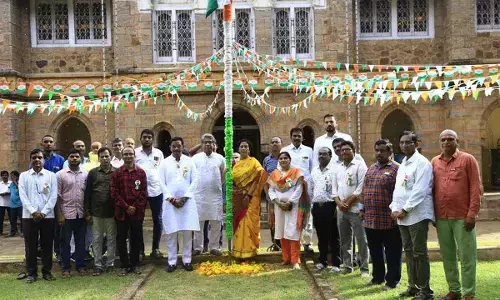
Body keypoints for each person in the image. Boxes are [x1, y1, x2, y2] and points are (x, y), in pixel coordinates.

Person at [431, 130, 481, 300]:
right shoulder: (434, 162)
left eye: (450, 139)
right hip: (442, 217)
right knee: (448, 256)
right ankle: (454, 290)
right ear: (439, 142)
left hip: (462, 216)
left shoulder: (467, 160)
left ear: (457, 141)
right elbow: (431, 189)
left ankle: (469, 293)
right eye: (443, 139)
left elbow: (476, 188)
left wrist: (472, 214)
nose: (446, 142)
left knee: (467, 256)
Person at [390, 131, 435, 300]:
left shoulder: (422, 163)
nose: (404, 145)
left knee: (419, 252)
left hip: (417, 215)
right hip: (403, 216)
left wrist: (405, 209)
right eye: (401, 142)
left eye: (408, 142)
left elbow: (420, 190)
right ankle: (413, 287)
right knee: (408, 251)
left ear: (417, 144)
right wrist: (395, 207)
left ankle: (425, 291)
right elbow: (398, 189)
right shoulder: (404, 163)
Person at [360, 139, 402, 290]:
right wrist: (362, 208)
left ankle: (392, 281)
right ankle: (377, 277)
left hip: (389, 220)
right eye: (377, 150)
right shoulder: (371, 168)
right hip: (371, 219)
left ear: (390, 153)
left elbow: (401, 193)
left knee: (392, 252)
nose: (379, 153)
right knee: (375, 251)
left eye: (382, 150)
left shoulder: (397, 169)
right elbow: (365, 190)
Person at [159, 137, 200, 272]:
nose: (176, 149)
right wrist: (172, 199)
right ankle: (172, 261)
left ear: (183, 147)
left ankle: (187, 260)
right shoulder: (164, 163)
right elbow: (161, 183)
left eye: (179, 146)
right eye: (174, 146)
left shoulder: (189, 161)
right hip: (170, 204)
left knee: (187, 232)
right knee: (171, 232)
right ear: (170, 148)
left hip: (187, 203)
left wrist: (185, 197)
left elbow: (195, 180)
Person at [19, 149, 58, 283]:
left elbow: (53, 196)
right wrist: (33, 211)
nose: (37, 160)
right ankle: (31, 273)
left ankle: (47, 272)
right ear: (30, 160)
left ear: (44, 160)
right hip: (29, 217)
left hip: (47, 217)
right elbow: (23, 196)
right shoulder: (24, 176)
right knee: (31, 245)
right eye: (34, 157)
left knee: (47, 245)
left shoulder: (51, 176)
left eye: (39, 157)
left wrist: (43, 212)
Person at [332, 141, 369, 276]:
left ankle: (364, 268)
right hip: (341, 210)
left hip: (355, 209)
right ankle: (348, 266)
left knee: (361, 240)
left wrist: (347, 203)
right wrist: (339, 204)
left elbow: (361, 188)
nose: (344, 152)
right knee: (345, 240)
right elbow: (334, 189)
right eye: (342, 151)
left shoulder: (360, 166)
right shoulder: (337, 168)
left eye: (347, 150)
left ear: (354, 151)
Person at [268, 151, 308, 270]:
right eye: (281, 158)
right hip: (279, 207)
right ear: (278, 161)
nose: (283, 160)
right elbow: (271, 190)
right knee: (281, 232)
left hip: (292, 207)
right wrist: (278, 202)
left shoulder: (296, 172)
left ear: (290, 160)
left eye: (285, 158)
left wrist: (290, 202)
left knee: (293, 232)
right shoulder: (275, 174)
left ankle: (295, 260)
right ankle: (286, 259)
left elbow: (299, 188)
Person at [111, 147, 148, 276]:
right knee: (121, 239)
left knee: (136, 238)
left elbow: (144, 192)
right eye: (125, 154)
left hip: (137, 213)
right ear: (122, 156)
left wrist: (134, 207)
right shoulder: (117, 173)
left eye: (130, 154)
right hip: (121, 212)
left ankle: (135, 264)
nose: (128, 156)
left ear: (134, 156)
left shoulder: (141, 173)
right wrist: (126, 207)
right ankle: (124, 265)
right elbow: (114, 193)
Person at [84, 147, 117, 276]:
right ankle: (98, 264)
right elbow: (87, 194)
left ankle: (110, 263)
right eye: (102, 156)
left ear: (111, 156)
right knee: (97, 239)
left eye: (107, 156)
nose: (104, 158)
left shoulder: (116, 172)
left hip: (112, 212)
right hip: (96, 212)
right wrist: (87, 212)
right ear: (98, 158)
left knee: (111, 239)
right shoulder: (93, 173)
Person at [281, 128, 314, 253]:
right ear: (291, 137)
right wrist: (291, 184)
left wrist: (307, 185)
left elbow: (311, 169)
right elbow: (282, 171)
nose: (297, 138)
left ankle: (307, 242)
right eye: (294, 136)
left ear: (302, 137)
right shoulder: (285, 151)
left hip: (305, 188)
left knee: (307, 214)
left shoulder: (308, 150)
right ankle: (295, 242)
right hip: (292, 188)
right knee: (293, 215)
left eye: (299, 136)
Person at [232, 139, 267, 259]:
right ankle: (238, 251)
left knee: (248, 223)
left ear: (249, 149)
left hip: (251, 198)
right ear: (238, 149)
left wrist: (249, 195)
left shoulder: (254, 162)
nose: (243, 148)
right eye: (241, 146)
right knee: (240, 223)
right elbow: (233, 183)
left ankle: (250, 251)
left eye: (246, 146)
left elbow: (259, 177)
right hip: (238, 197)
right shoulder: (235, 166)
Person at [56, 149, 89, 277]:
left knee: (81, 242)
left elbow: (87, 195)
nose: (74, 158)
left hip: (81, 214)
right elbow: (57, 196)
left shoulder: (86, 174)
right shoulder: (60, 175)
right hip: (66, 214)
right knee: (65, 242)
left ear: (81, 159)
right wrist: (59, 214)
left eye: (77, 156)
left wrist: (87, 212)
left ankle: (80, 266)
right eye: (72, 156)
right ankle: (66, 268)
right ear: (67, 159)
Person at [192, 134, 225, 256]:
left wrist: (215, 185)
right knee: (198, 223)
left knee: (216, 221)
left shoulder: (220, 158)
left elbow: (223, 175)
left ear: (214, 144)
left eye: (210, 142)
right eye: (205, 142)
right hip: (199, 196)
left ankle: (214, 247)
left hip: (215, 195)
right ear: (201, 144)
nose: (208, 144)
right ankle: (198, 247)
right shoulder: (195, 158)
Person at [310, 147, 341, 273]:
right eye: (320, 154)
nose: (321, 156)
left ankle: (336, 263)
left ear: (330, 156)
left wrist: (337, 206)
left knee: (334, 236)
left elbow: (339, 189)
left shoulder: (335, 171)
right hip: (317, 206)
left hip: (331, 205)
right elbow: (311, 189)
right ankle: (322, 261)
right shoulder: (314, 171)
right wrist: (312, 205)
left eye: (324, 154)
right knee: (321, 236)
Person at [135, 129, 164, 259]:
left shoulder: (159, 153)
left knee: (157, 219)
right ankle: (140, 250)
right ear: (140, 139)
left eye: (149, 137)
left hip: (156, 190)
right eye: (144, 137)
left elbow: (162, 171)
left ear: (153, 139)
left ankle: (155, 248)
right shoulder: (135, 153)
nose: (147, 139)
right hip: (139, 191)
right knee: (138, 220)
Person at [263, 137, 283, 251]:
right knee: (272, 219)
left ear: (281, 144)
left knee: (284, 218)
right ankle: (275, 244)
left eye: (277, 142)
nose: (275, 144)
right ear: (270, 145)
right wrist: (266, 194)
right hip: (271, 195)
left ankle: (283, 243)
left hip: (285, 194)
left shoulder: (285, 157)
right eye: (272, 142)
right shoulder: (266, 160)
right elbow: (265, 178)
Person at [9, 171, 22, 237]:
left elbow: (21, 191)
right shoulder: (11, 184)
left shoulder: (20, 183)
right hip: (12, 205)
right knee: (12, 219)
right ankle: (13, 232)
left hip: (19, 204)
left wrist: (15, 182)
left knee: (22, 219)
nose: (11, 177)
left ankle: (22, 231)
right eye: (11, 176)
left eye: (13, 176)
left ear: (17, 177)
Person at [0, 170, 11, 235]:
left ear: (8, 176)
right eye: (3, 175)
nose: (4, 176)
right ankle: (0, 231)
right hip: (1, 203)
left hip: (10, 203)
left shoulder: (11, 183)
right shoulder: (0, 184)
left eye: (6, 175)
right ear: (1, 176)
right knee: (0, 219)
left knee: (12, 218)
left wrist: (8, 193)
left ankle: (13, 231)